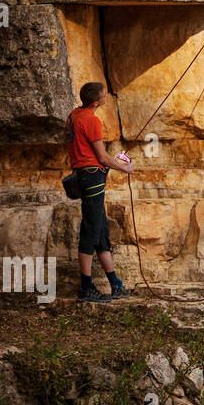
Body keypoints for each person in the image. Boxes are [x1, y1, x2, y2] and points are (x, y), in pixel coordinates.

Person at [64, 82, 134, 303]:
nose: (106, 95)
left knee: (101, 231)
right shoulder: (91, 120)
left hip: (83, 174)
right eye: (104, 94)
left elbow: (86, 149)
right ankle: (86, 288)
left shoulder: (73, 115)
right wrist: (125, 166)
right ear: (96, 101)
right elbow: (102, 158)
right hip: (92, 177)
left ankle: (115, 285)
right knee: (91, 231)